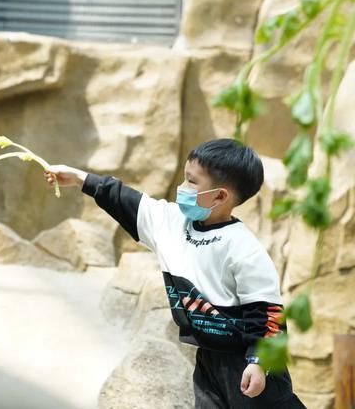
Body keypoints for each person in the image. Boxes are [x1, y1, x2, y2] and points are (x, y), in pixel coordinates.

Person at [44, 138, 305, 408]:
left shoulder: (242, 247)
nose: (182, 188)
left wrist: (258, 363)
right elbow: (124, 199)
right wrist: (79, 178)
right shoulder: (171, 223)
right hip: (207, 359)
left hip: (247, 361)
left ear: (219, 196)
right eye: (184, 178)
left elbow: (267, 312)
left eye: (192, 182)